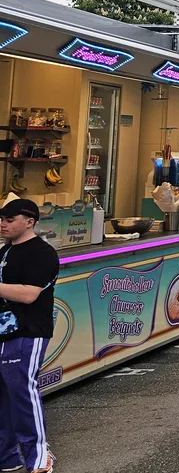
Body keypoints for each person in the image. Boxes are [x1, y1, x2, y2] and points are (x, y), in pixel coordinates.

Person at [0, 199, 58, 473]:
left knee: (23, 391)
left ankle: (39, 457)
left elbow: (28, 294)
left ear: (30, 221)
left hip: (29, 331)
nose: (3, 224)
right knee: (4, 395)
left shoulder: (43, 253)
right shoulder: (4, 252)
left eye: (10, 219)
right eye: (2, 219)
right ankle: (7, 457)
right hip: (3, 332)